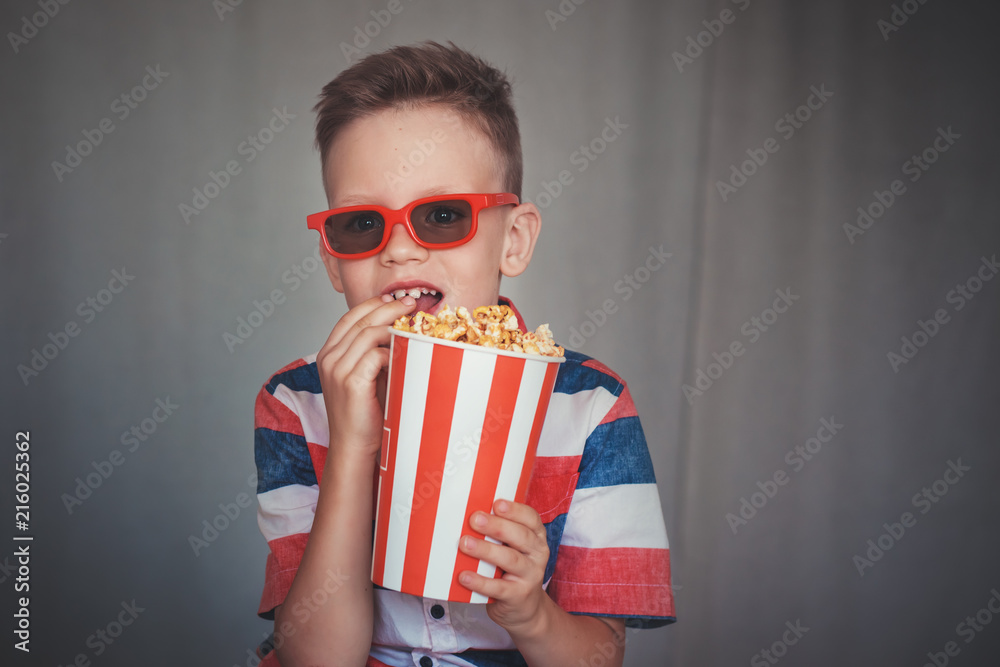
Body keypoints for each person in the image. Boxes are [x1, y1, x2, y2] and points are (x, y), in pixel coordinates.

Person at [253, 40, 674, 667]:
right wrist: (350, 450)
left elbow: (599, 657)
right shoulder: (297, 402)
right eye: (361, 224)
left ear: (515, 240)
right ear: (334, 262)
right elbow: (316, 660)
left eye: (442, 215)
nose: (398, 250)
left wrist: (531, 613)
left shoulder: (592, 406)